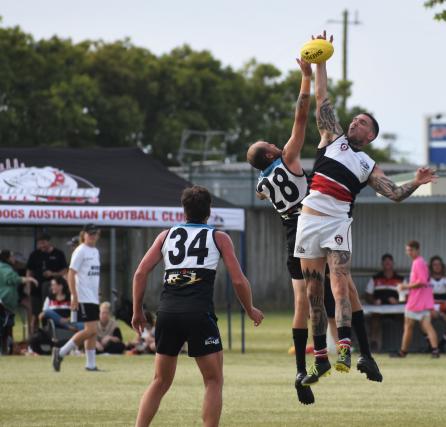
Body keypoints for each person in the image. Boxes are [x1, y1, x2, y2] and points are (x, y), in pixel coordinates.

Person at [295, 31, 437, 386]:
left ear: (370, 136)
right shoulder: (332, 138)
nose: (355, 123)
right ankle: (321, 357)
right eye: (355, 119)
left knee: (340, 287)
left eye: (362, 123)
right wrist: (321, 62)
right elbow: (323, 100)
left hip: (337, 223)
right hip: (309, 219)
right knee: (313, 293)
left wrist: (416, 183)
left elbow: (393, 193)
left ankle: (345, 347)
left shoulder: (366, 164)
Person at [247, 53, 382, 395]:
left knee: (304, 302)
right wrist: (307, 77)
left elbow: (269, 195)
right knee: (345, 288)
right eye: (272, 146)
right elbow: (304, 112)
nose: (278, 145)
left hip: (292, 231)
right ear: (271, 155)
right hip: (314, 218)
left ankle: (302, 369)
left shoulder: (261, 185)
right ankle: (360, 351)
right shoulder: (290, 159)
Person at [131, 185, 263, 427]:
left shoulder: (165, 236)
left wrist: (137, 310)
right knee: (213, 380)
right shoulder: (219, 237)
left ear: (184, 210)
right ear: (209, 211)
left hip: (167, 313)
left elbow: (140, 273)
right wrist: (249, 308)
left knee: (160, 381)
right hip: (198, 314)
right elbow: (237, 279)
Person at [52, 223, 102, 372]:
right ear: (84, 234)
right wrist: (74, 295)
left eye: (95, 233)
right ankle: (60, 352)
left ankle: (91, 364)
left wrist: (97, 290)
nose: (92, 236)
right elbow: (71, 273)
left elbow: (93, 274)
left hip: (93, 297)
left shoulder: (95, 251)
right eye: (90, 233)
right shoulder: (80, 251)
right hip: (84, 297)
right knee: (90, 329)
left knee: (93, 332)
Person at [391, 241, 439, 358]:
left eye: (410, 250)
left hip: (416, 301)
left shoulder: (418, 262)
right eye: (407, 250)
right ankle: (435, 351)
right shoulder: (420, 262)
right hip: (423, 301)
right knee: (426, 326)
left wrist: (405, 287)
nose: (408, 252)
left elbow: (421, 282)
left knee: (409, 326)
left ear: (417, 250)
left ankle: (403, 352)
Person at [26, 233, 68, 333]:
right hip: (36, 290)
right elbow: (29, 271)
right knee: (35, 315)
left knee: (49, 314)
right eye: (39, 244)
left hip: (53, 291)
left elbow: (65, 270)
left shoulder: (58, 254)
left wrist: (53, 274)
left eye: (43, 243)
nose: (41, 246)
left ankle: (51, 335)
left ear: (49, 241)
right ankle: (33, 338)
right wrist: (28, 286)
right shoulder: (34, 254)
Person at [0, 250, 38, 353]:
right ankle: (4, 350)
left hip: (7, 303)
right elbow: (12, 279)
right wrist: (29, 279)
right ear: (6, 258)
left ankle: (6, 350)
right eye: (12, 256)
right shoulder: (4, 268)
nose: (14, 259)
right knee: (5, 328)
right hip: (4, 302)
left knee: (7, 328)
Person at [364, 253, 403, 351]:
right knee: (374, 318)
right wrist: (373, 301)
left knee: (406, 319)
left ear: (393, 264)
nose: (388, 264)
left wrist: (398, 301)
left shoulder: (400, 279)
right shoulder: (375, 278)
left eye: (389, 262)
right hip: (379, 308)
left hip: (396, 309)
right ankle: (374, 344)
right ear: (382, 264)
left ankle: (402, 345)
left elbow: (407, 297)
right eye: (385, 262)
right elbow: (367, 294)